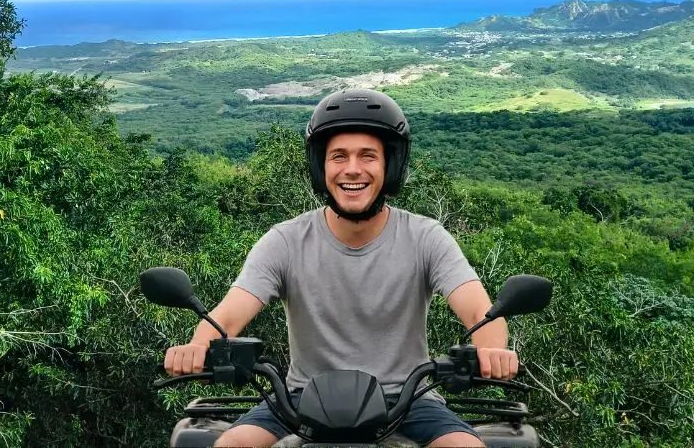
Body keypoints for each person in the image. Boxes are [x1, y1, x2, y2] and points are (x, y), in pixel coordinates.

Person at [163, 88, 518, 448]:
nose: (352, 169)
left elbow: (479, 311)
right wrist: (197, 347)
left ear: (389, 166)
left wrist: (491, 352)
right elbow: (229, 315)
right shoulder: (286, 241)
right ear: (321, 166)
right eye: (338, 156)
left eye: (368, 156)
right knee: (230, 444)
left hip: (409, 400)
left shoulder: (425, 237)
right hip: (301, 398)